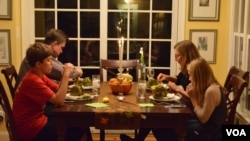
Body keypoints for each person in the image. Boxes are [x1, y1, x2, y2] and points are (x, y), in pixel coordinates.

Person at [120, 40, 201, 141]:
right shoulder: (189, 69)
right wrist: (168, 77)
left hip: (189, 112)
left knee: (154, 119)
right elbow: (179, 78)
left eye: (178, 56)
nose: (175, 59)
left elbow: (195, 97)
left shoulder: (196, 71)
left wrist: (177, 89)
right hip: (184, 106)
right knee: (151, 115)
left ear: (187, 56)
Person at [13, 42, 88, 141]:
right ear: (38, 64)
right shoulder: (33, 80)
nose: (51, 63)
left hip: (38, 120)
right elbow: (59, 100)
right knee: (77, 127)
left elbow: (57, 88)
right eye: (48, 60)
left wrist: (65, 75)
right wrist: (66, 75)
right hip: (31, 129)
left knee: (79, 122)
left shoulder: (39, 75)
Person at [17, 28, 83, 86]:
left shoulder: (44, 55)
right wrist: (76, 70)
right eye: (61, 47)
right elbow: (63, 72)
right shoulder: (41, 55)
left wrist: (60, 81)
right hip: (31, 96)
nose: (61, 51)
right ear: (54, 44)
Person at [184, 57, 227, 141]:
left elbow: (203, 118)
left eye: (190, 75)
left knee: (176, 129)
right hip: (207, 126)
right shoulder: (207, 87)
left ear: (198, 76)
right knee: (179, 124)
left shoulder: (211, 91)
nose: (189, 79)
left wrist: (193, 98)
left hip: (212, 133)